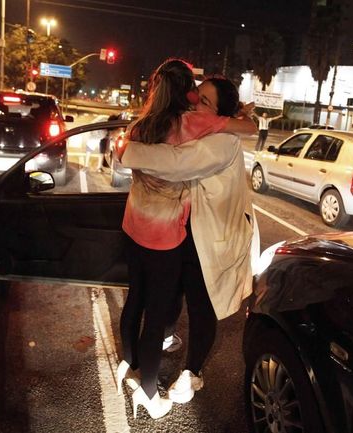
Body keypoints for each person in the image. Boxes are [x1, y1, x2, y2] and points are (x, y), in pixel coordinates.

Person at [116, 59, 256, 419]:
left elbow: (176, 163)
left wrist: (126, 149)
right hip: (179, 234)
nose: (196, 104)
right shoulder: (195, 126)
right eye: (196, 97)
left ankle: (188, 372)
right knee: (162, 303)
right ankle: (147, 371)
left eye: (205, 102)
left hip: (209, 239)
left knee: (200, 307)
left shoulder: (221, 142)